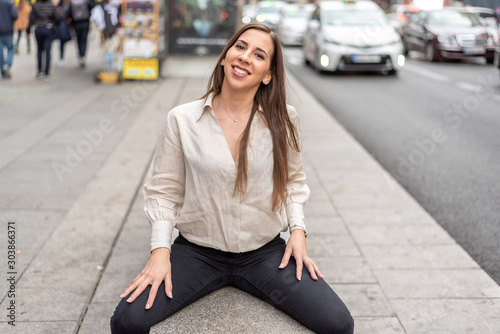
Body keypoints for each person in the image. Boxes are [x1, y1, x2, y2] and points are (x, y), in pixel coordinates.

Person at [110, 23, 354, 334]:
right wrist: (160, 253)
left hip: (264, 254)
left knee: (338, 323)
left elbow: (293, 181)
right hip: (198, 252)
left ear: (267, 74)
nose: (244, 57)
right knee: (127, 321)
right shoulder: (182, 120)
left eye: (258, 54)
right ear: (225, 57)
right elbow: (164, 192)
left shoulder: (283, 120)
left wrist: (298, 232)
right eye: (239, 47)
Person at [29, 0, 61, 80]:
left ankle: (40, 71)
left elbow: (31, 18)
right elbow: (58, 17)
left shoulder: (35, 4)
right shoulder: (51, 4)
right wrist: (55, 27)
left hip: (38, 28)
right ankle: (47, 73)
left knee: (39, 50)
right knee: (47, 51)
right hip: (48, 28)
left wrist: (28, 30)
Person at [69, 0, 95, 68]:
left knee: (79, 40)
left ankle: (80, 54)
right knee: (84, 40)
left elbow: (69, 13)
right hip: (85, 23)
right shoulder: (85, 1)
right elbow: (92, 7)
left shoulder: (72, 2)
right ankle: (83, 55)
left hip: (76, 23)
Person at [0, 0, 18, 79]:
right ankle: (7, 65)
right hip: (8, 30)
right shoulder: (9, 3)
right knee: (10, 49)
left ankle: (3, 73)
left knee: (0, 52)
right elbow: (15, 15)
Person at [55, 0, 72, 66]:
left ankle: (61, 58)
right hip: (64, 27)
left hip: (60, 27)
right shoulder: (66, 7)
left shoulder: (59, 7)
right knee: (62, 43)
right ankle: (61, 58)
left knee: (62, 43)